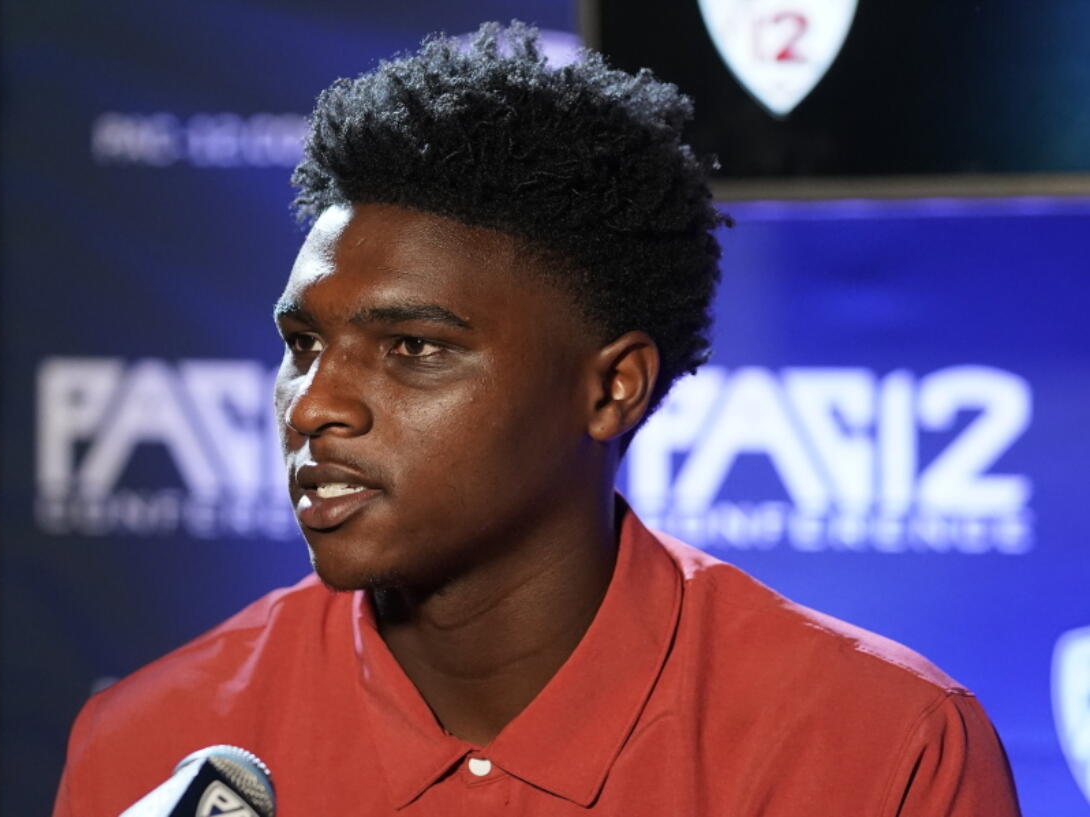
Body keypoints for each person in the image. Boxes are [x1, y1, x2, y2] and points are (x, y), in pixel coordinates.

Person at [53, 22, 1020, 816]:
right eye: (303, 345)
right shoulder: (148, 748)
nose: (315, 406)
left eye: (413, 349)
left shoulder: (886, 748)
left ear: (612, 389)